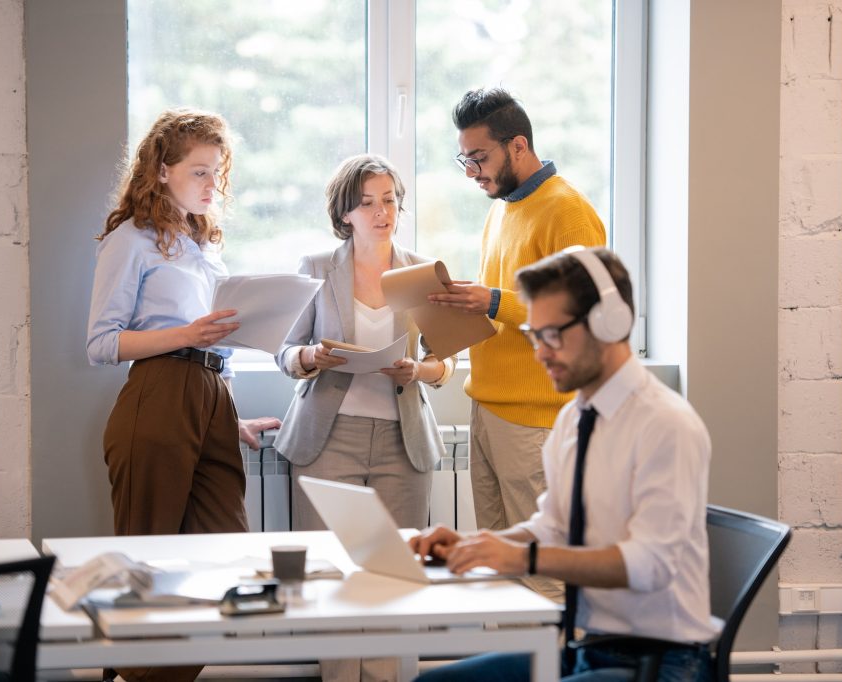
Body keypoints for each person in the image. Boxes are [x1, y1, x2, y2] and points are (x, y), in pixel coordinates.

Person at [412, 247, 716, 681]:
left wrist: (521, 558)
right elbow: (552, 527)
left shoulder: (665, 424)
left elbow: (649, 565)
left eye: (552, 334)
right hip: (588, 649)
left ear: (609, 323)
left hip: (663, 663)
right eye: (536, 335)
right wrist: (473, 544)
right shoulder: (575, 417)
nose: (540, 353)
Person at [87, 108, 279, 682]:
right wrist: (189, 336)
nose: (211, 184)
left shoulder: (201, 245)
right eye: (199, 171)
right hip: (159, 392)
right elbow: (99, 344)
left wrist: (225, 419)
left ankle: (135, 676)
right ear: (162, 170)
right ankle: (128, 674)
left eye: (217, 173)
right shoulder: (131, 240)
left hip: (208, 394)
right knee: (153, 570)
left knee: (222, 563)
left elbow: (206, 348)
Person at [275, 154, 455, 682]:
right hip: (327, 440)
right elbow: (284, 352)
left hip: (404, 443)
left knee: (392, 578)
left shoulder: (421, 271)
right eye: (368, 203)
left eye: (390, 200)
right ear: (345, 213)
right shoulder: (316, 268)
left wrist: (417, 371)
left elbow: (448, 364)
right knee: (333, 575)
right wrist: (311, 358)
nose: (382, 213)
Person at [428, 87, 608, 546]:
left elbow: (584, 315)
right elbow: (505, 303)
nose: (471, 172)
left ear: (519, 146)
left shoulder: (567, 210)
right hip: (487, 409)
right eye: (463, 159)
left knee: (541, 566)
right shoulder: (503, 209)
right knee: (498, 563)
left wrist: (491, 300)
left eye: (480, 158)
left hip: (536, 422)